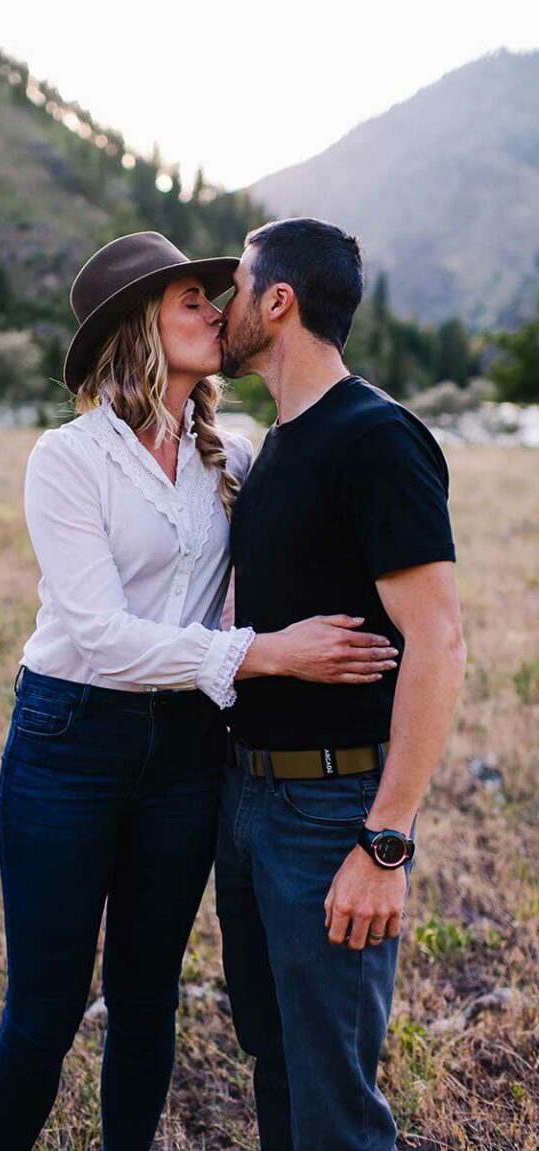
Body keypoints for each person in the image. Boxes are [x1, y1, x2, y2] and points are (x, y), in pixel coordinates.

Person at [0, 231, 398, 1151]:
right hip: (69, 741)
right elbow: (99, 634)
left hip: (183, 754)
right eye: (192, 302)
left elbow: (297, 556)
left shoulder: (235, 454)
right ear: (140, 328)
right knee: (45, 1008)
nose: (218, 310)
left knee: (146, 996)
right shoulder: (68, 459)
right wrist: (267, 655)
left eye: (218, 295)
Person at [216, 217, 468, 1151]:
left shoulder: (377, 437)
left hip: (331, 813)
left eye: (236, 287)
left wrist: (386, 841)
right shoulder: (279, 443)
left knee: (334, 1103)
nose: (220, 307)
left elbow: (437, 641)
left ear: (277, 301)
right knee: (278, 1063)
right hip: (246, 801)